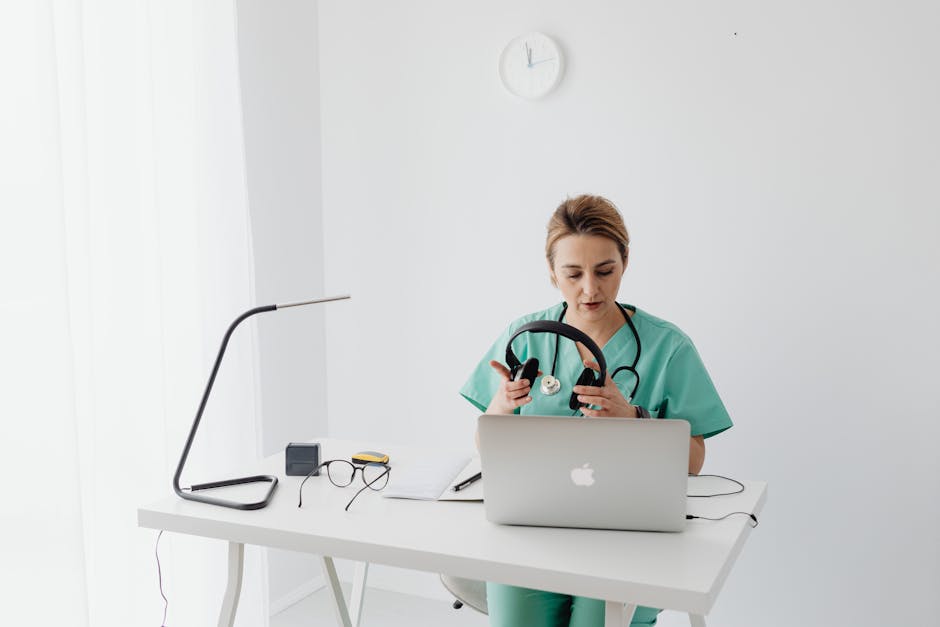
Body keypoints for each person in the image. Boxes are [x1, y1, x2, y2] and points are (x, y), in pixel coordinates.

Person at [459, 194, 733, 627]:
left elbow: (694, 463)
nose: (590, 289)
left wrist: (632, 420)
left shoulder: (669, 347)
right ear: (551, 273)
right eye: (573, 274)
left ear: (626, 261)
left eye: (605, 271)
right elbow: (485, 445)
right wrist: (501, 403)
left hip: (631, 537)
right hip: (533, 530)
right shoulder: (525, 337)